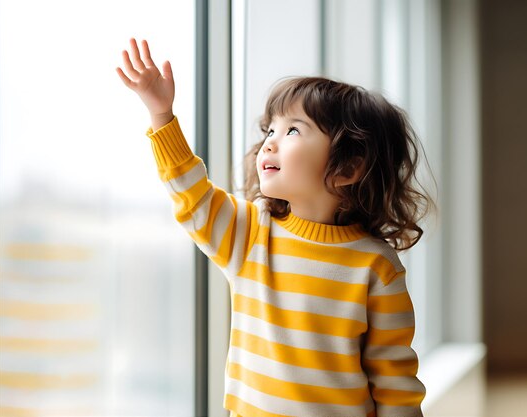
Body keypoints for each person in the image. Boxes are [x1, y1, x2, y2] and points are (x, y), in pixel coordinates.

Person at [116, 37, 435, 417]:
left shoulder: (376, 266)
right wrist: (162, 116)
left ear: (349, 167)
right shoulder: (251, 233)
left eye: (293, 131)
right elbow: (193, 197)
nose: (268, 143)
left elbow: (395, 381)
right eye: (270, 131)